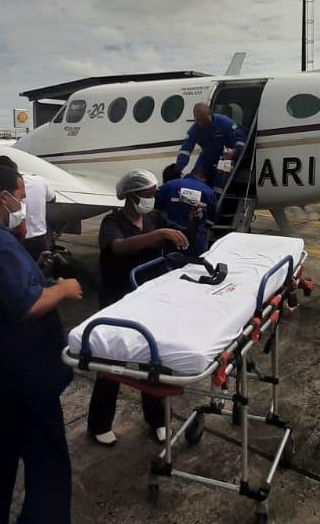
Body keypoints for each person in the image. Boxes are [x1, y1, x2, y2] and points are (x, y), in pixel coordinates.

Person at [0, 163, 83, 523]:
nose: (22, 204)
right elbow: (29, 304)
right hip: (19, 384)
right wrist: (62, 289)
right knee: (47, 469)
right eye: (20, 196)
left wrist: (34, 268)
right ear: (2, 198)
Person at [87, 168, 189, 446]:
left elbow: (177, 233)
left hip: (150, 299)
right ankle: (99, 424)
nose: (152, 199)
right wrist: (158, 236)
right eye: (148, 194)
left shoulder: (154, 218)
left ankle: (156, 419)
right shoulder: (112, 221)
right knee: (112, 363)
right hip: (118, 300)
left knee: (153, 361)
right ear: (132, 196)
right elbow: (118, 247)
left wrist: (191, 222)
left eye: (154, 194)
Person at [0, 155, 57, 261]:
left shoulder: (0, 190)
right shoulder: (39, 181)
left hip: (16, 242)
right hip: (40, 240)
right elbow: (52, 198)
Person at [155, 163, 216, 255]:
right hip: (196, 240)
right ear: (204, 178)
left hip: (171, 238)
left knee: (170, 265)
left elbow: (155, 210)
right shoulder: (209, 191)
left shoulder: (169, 185)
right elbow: (211, 220)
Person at [174, 102, 242, 184]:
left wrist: (234, 152)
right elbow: (185, 150)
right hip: (207, 157)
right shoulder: (194, 129)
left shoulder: (225, 122)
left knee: (220, 180)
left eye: (204, 120)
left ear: (210, 114)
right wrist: (178, 168)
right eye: (198, 120)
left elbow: (240, 140)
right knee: (195, 179)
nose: (201, 123)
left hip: (225, 157)